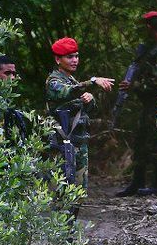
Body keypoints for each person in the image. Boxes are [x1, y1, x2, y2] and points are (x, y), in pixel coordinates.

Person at [116, 11, 157, 197]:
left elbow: (156, 81)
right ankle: (137, 183)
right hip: (150, 104)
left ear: (150, 26)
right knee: (141, 141)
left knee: (156, 143)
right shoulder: (155, 48)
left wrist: (133, 85)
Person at [45, 37, 114, 189]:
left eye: (76, 56)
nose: (75, 60)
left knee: (78, 192)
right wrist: (93, 82)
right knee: (60, 191)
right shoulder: (54, 81)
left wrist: (90, 99)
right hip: (62, 144)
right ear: (58, 59)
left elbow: (91, 110)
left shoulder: (72, 80)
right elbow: (66, 92)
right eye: (70, 57)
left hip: (79, 141)